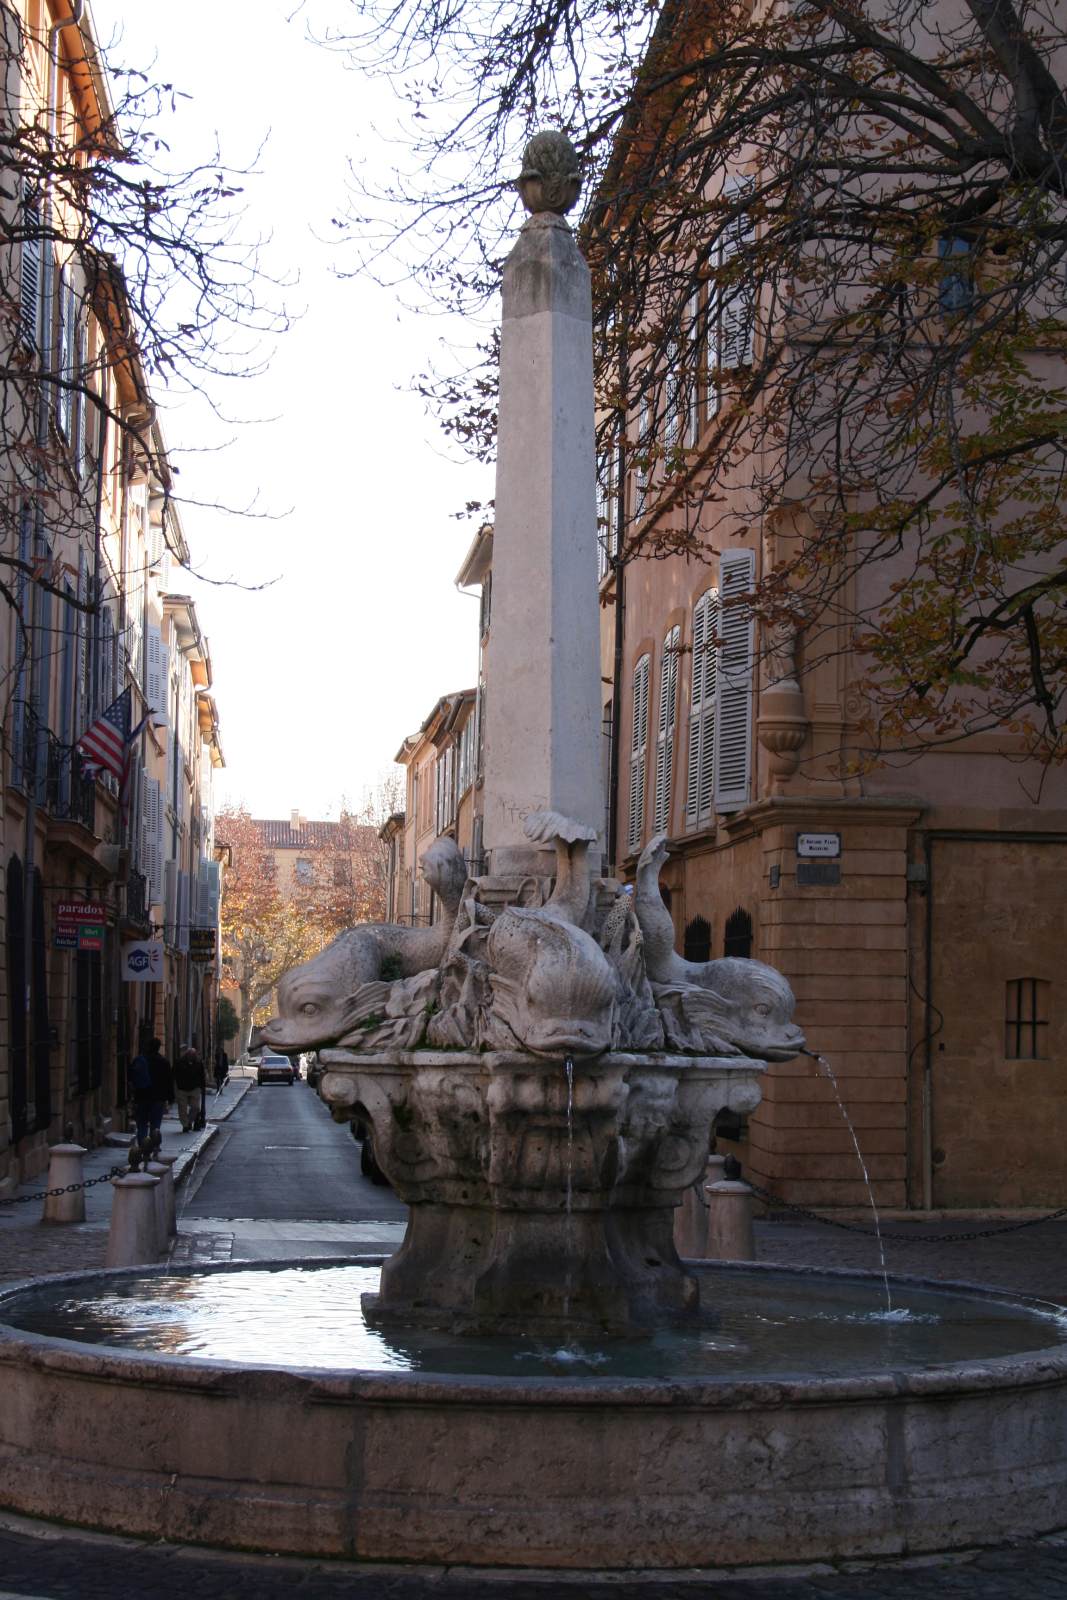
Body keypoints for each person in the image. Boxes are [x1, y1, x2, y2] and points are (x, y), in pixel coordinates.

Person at [129, 1038, 173, 1151]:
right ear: (158, 1047)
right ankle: (153, 1146)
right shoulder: (163, 1062)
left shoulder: (139, 1060)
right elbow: (169, 1081)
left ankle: (143, 1146)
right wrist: (170, 1098)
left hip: (142, 1096)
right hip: (158, 1098)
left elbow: (131, 1078)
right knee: (155, 1124)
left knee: (142, 1124)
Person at [174, 1044, 207, 1133]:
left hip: (195, 1088)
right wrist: (177, 1086)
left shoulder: (198, 1063)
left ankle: (189, 1122)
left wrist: (202, 1087)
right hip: (182, 1088)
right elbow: (175, 1074)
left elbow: (202, 1075)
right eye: (190, 1055)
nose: (191, 1057)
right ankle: (185, 1125)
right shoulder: (179, 1062)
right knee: (182, 1108)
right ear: (187, 1055)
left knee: (195, 1107)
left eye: (193, 1055)